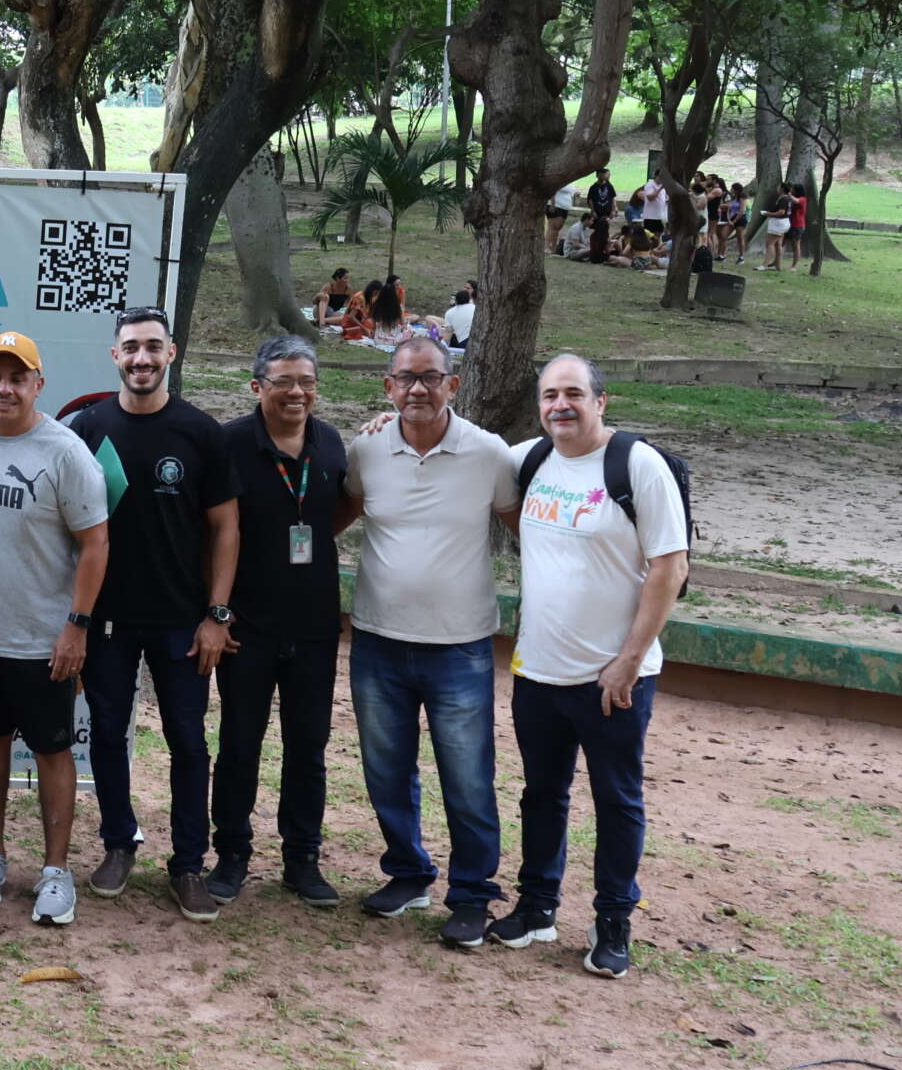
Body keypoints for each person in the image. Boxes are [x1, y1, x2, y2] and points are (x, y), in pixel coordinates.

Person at [498, 355, 689, 978]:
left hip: (614, 677)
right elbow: (458, 450)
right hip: (539, 669)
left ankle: (613, 923)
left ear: (601, 401)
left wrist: (628, 662)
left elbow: (670, 567)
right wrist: (380, 426)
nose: (561, 406)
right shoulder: (530, 459)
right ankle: (537, 906)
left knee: (617, 800)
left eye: (574, 394)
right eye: (550, 395)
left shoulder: (637, 466)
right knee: (542, 795)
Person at [343, 335, 518, 947]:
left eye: (431, 377)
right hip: (377, 641)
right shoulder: (367, 448)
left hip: (460, 647)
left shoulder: (488, 454)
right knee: (386, 771)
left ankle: (472, 895)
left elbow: (523, 526)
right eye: (406, 378)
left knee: (467, 778)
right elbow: (341, 511)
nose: (418, 388)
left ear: (454, 383)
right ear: (388, 387)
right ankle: (409, 871)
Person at [66, 307, 238, 922]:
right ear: (115, 356)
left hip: (182, 622)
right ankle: (119, 843)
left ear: (172, 354)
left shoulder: (201, 433)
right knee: (108, 735)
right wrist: (76, 617)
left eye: (153, 347)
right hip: (108, 620)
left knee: (188, 742)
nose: (142, 358)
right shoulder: (87, 429)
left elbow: (224, 528)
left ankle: (189, 864)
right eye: (130, 347)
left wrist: (216, 614)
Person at [0, 332, 107, 925]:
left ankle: (55, 871)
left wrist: (77, 626)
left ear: (39, 384)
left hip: (45, 638)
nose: (4, 388)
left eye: (18, 378)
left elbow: (96, 545)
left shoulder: (65, 452)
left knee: (51, 749)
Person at [208, 337, 349, 910]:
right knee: (240, 744)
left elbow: (341, 510)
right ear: (257, 386)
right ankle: (232, 855)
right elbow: (212, 532)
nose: (297, 392)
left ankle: (302, 858)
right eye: (284, 381)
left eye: (307, 382)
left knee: (308, 746)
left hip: (314, 625)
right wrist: (216, 613)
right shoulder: (231, 445)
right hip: (248, 626)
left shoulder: (333, 443)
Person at [758, 187, 791, 271]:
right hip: (784, 222)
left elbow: (781, 212)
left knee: (770, 244)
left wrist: (768, 213)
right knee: (777, 244)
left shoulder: (783, 199)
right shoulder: (788, 198)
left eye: (779, 187)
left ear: (782, 189)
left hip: (778, 223)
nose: (777, 188)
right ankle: (777, 265)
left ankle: (765, 265)